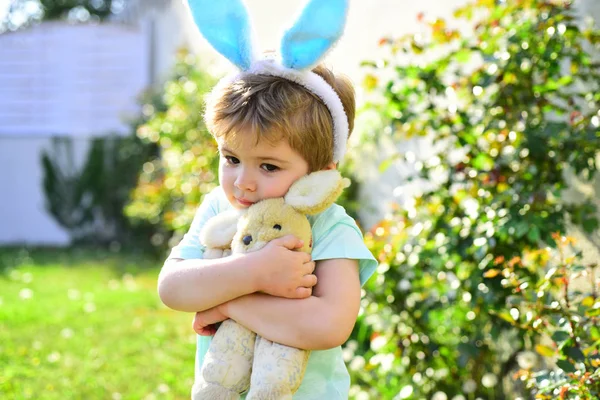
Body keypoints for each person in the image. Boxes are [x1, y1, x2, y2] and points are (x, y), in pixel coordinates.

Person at [158, 0, 377, 398]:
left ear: (320, 174)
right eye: (232, 158)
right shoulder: (219, 210)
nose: (243, 182)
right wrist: (255, 274)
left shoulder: (330, 225)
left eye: (269, 167)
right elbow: (173, 287)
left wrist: (226, 304)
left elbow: (328, 325)